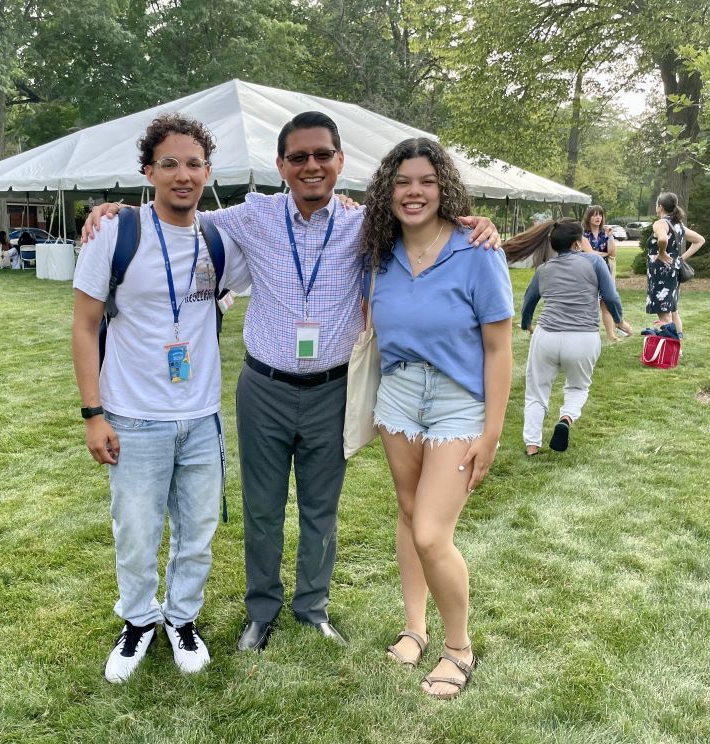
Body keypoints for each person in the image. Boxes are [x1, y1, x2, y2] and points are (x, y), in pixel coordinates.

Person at [82, 112, 501, 653]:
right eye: (298, 157)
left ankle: (312, 608)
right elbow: (178, 212)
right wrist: (113, 211)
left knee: (321, 510)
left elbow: (427, 218)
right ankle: (261, 611)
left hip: (332, 390)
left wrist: (476, 220)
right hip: (265, 389)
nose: (311, 166)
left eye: (322, 155)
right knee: (261, 508)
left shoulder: (365, 223)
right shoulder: (251, 215)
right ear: (280, 165)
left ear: (340, 162)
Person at [72, 113, 251, 683]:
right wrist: (93, 413)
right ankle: (138, 622)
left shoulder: (220, 239)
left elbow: (291, 235)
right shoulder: (116, 233)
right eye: (169, 163)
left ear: (207, 172)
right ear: (147, 169)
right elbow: (84, 325)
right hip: (133, 416)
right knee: (137, 532)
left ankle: (182, 618)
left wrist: (342, 209)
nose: (182, 174)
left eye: (194, 164)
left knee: (197, 533)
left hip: (202, 418)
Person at [360, 138, 513, 700]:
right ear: (387, 191)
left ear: (443, 186)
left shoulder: (478, 250)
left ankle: (459, 649)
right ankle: (415, 629)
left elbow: (499, 350)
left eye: (425, 180)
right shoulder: (377, 253)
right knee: (406, 513)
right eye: (402, 182)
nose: (414, 192)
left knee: (431, 531)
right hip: (397, 396)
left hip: (457, 403)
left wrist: (491, 433)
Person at [504, 220, 626, 456]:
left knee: (537, 391)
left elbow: (528, 303)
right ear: (577, 243)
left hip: (547, 336)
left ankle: (532, 445)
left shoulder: (544, 270)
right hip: (583, 338)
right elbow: (611, 296)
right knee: (578, 387)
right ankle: (566, 419)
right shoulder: (594, 262)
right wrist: (619, 320)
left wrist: (528, 323)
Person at [646, 192, 705, 335]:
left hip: (661, 274)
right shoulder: (678, 225)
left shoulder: (660, 223)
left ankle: (669, 349)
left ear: (660, 207)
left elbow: (662, 240)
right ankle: (677, 349)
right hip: (673, 272)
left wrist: (661, 253)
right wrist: (680, 259)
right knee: (673, 312)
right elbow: (700, 240)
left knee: (665, 315)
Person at [582, 205, 633, 341]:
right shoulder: (583, 234)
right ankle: (588, 333)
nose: (598, 217)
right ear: (589, 217)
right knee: (589, 303)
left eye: (600, 214)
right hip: (588, 272)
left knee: (607, 302)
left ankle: (611, 335)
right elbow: (589, 253)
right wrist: (604, 253)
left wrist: (610, 237)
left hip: (605, 271)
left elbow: (613, 253)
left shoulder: (606, 233)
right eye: (594, 215)